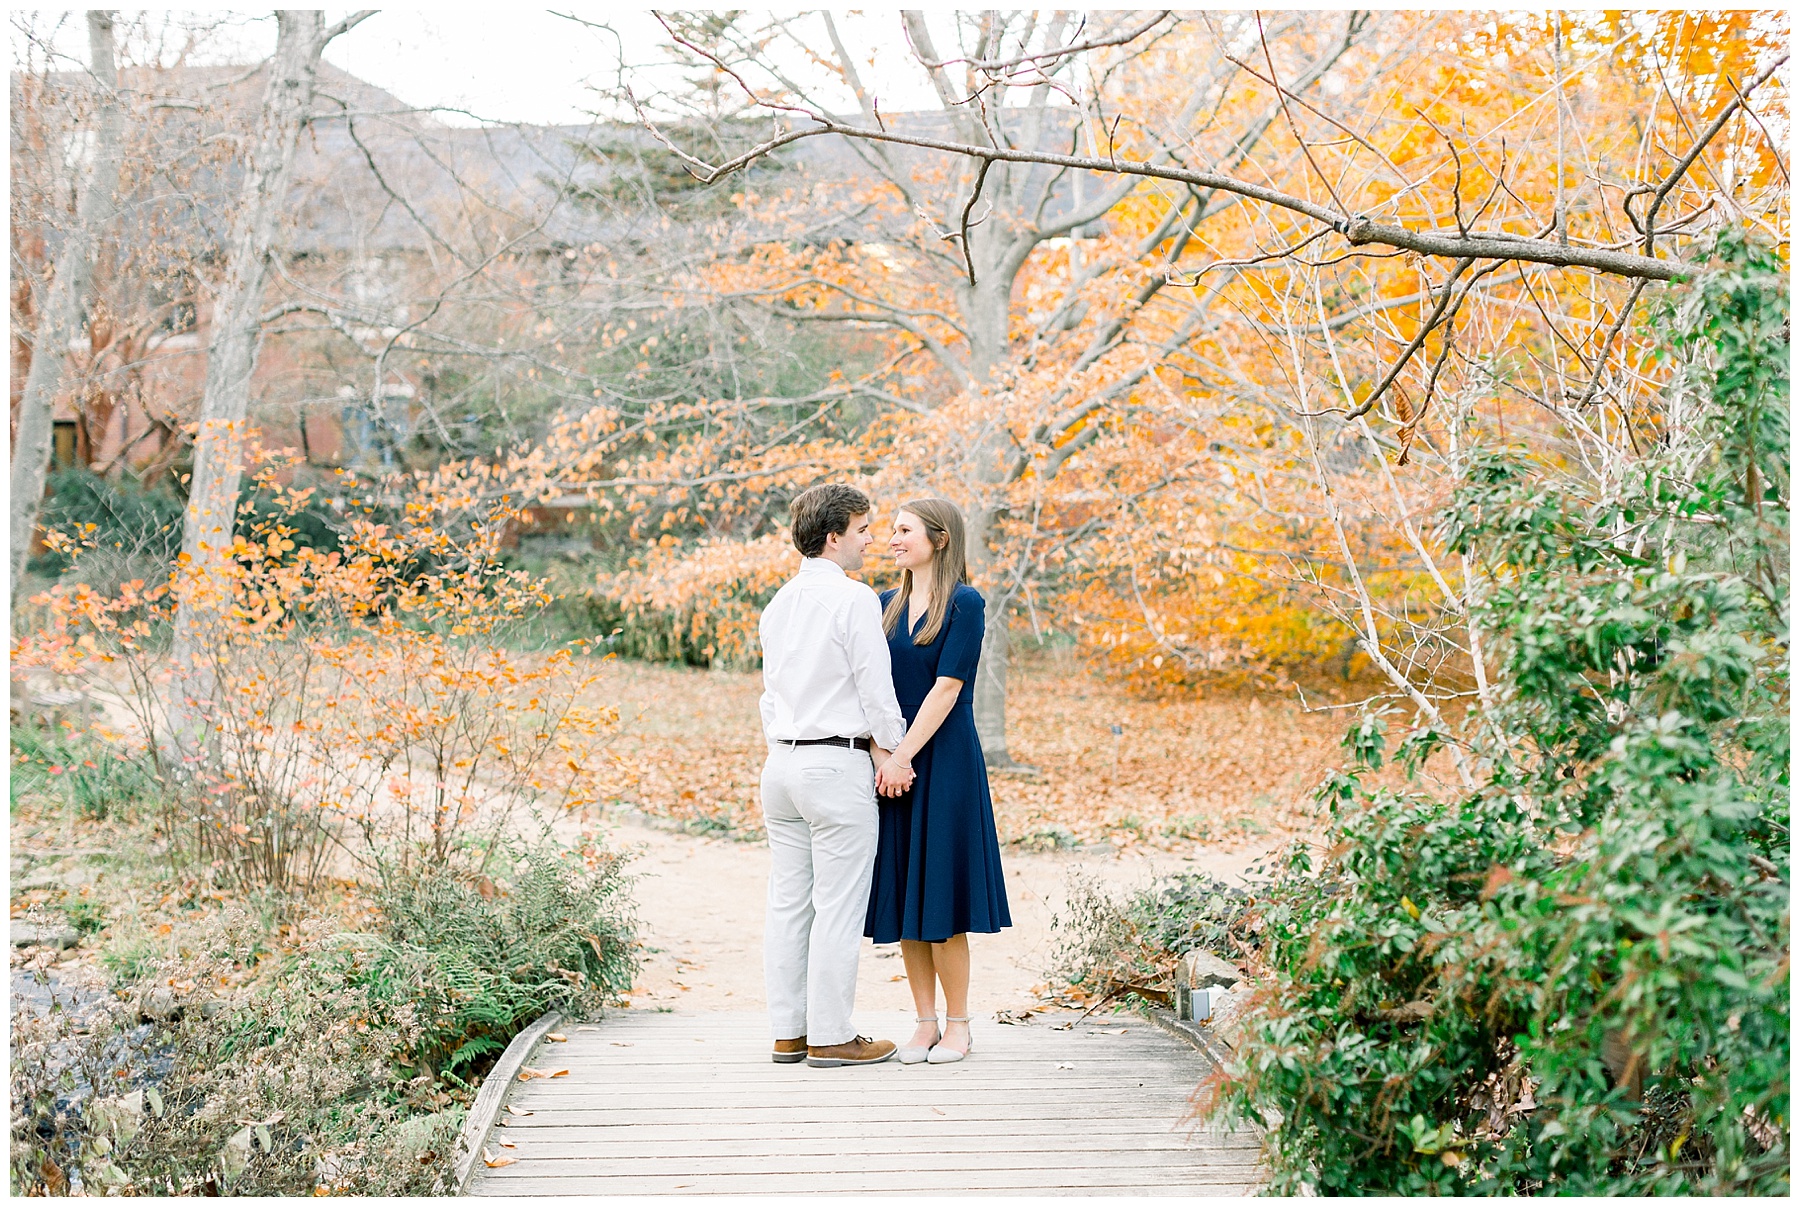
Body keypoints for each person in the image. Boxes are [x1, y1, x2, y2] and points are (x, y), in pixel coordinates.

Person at [758, 483, 915, 1068]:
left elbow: (770, 699)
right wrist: (894, 751)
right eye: (863, 529)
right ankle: (831, 1034)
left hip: (781, 766)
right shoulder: (853, 600)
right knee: (839, 905)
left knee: (789, 903)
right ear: (834, 536)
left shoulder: (778, 604)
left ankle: (788, 1033)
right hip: (834, 762)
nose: (871, 539)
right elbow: (876, 689)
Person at [865, 498, 1012, 1065]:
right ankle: (922, 1023)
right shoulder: (881, 605)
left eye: (904, 530)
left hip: (944, 762)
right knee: (907, 895)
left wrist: (903, 756)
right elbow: (868, 689)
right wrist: (883, 756)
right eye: (892, 531)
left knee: (942, 900)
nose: (893, 538)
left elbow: (948, 688)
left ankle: (958, 1025)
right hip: (891, 766)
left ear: (940, 538)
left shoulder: (965, 603)